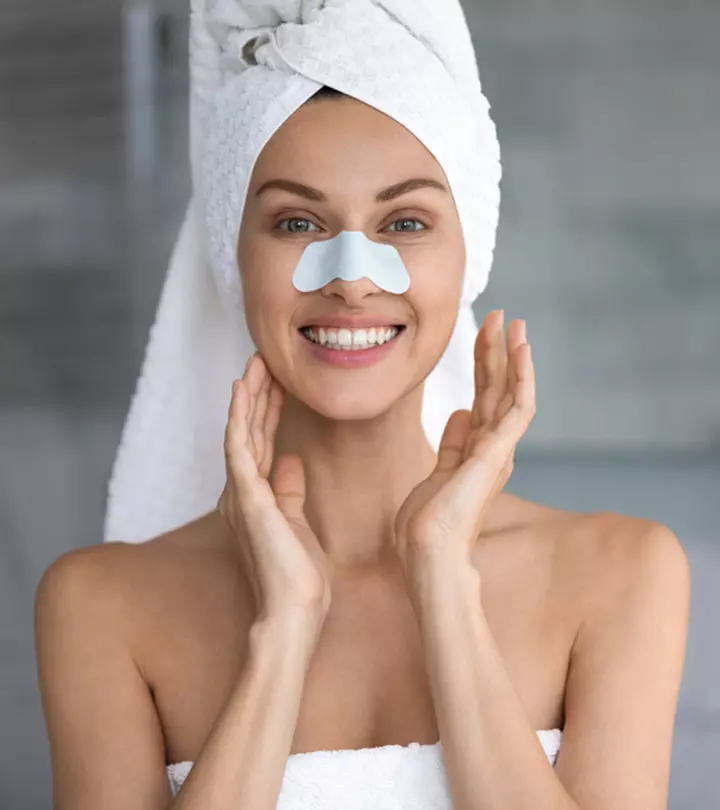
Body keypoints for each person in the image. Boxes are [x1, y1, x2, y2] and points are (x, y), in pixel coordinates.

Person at [34, 2, 690, 809]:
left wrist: (444, 578)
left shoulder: (621, 574)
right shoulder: (100, 606)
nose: (350, 276)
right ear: (232, 257)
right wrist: (282, 635)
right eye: (297, 221)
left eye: (405, 221)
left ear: (468, 254)